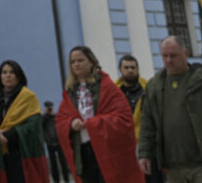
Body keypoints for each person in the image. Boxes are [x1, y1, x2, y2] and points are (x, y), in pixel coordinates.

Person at [138, 36, 202, 183]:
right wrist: (144, 153)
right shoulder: (154, 86)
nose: (168, 60)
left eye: (173, 55)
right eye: (164, 56)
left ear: (185, 54)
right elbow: (148, 124)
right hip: (173, 168)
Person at [55, 46, 143, 183]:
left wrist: (93, 124)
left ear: (91, 62)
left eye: (80, 60)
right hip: (82, 151)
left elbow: (123, 117)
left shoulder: (106, 86)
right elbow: (61, 120)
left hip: (107, 149)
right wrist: (71, 123)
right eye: (73, 62)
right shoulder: (70, 91)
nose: (76, 64)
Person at [0, 60, 49, 183]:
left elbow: (32, 125)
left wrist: (8, 135)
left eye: (12, 72)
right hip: (1, 157)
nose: (8, 75)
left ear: (19, 76)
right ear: (0, 77)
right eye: (4, 72)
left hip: (22, 155)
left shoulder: (28, 97)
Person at [117, 55, 162, 183]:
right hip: (124, 145)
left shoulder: (148, 89)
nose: (130, 70)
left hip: (147, 145)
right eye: (126, 67)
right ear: (120, 69)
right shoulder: (114, 93)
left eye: (133, 67)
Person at [44, 101, 71, 183]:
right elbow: (41, 126)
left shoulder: (56, 117)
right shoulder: (44, 118)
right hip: (49, 143)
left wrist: (52, 115)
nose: (49, 108)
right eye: (48, 107)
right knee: (53, 164)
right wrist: (46, 115)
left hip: (59, 143)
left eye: (50, 107)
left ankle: (66, 179)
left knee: (63, 162)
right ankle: (56, 180)